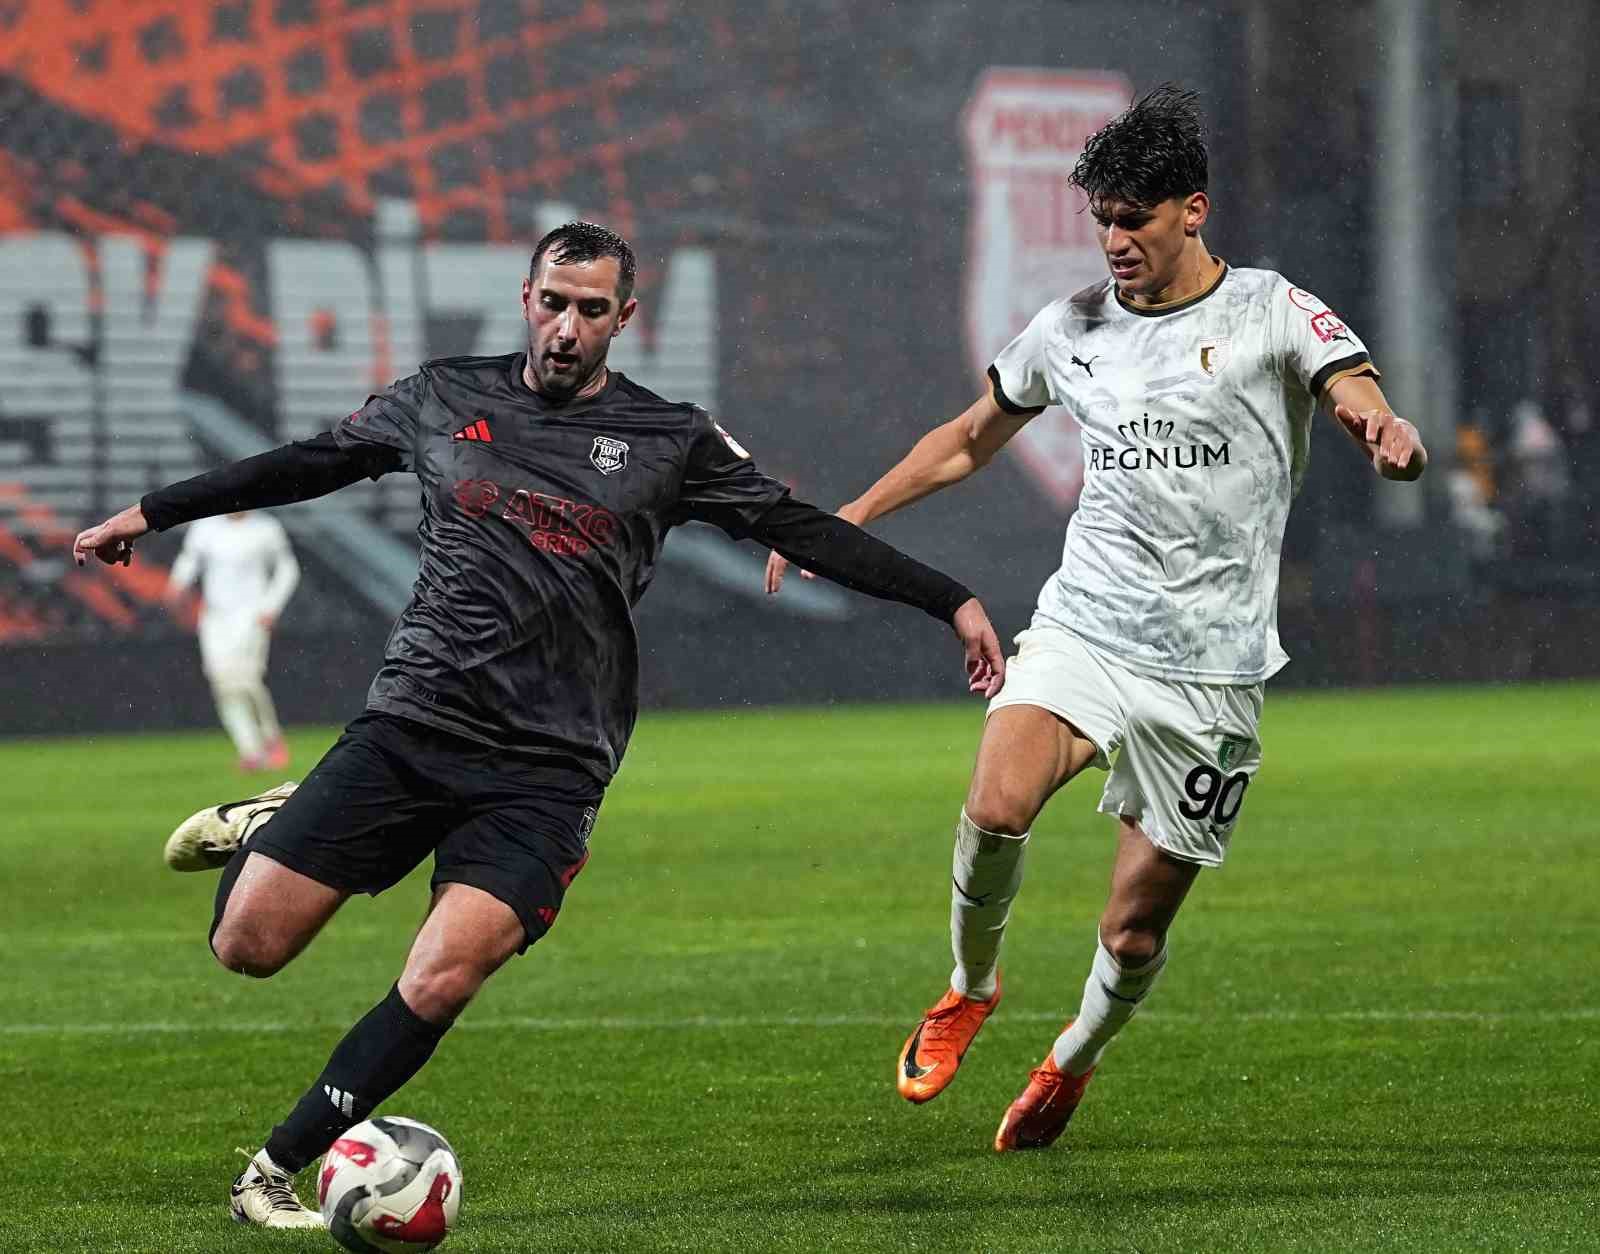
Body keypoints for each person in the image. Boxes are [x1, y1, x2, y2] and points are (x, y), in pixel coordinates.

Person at [74, 221, 1006, 1228]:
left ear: (625, 318)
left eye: (591, 311)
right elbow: (307, 464)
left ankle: (272, 1170)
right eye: (553, 303)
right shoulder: (442, 397)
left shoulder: (668, 439)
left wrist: (949, 599)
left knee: (444, 973)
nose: (567, 327)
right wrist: (153, 512)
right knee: (247, 947)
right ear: (526, 299)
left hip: (551, 767)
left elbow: (799, 527)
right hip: (415, 726)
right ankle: (277, 824)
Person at [765, 86, 1427, 1152]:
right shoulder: (1069, 327)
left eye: (1135, 219)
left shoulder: (1269, 309)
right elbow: (969, 438)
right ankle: (969, 987)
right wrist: (848, 518)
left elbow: (1349, 384)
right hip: (1088, 625)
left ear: (1193, 210)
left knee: (1133, 931)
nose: (1114, 241)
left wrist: (1383, 428)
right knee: (995, 803)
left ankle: (1071, 1058)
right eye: (1102, 220)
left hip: (1211, 670)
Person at [165, 511, 300, 772]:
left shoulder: (265, 528)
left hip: (252, 615)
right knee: (221, 682)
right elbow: (190, 560)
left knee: (245, 679)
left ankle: (271, 739)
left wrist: (272, 607)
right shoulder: (204, 527)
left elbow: (287, 569)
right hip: (215, 618)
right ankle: (250, 750)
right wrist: (176, 585)